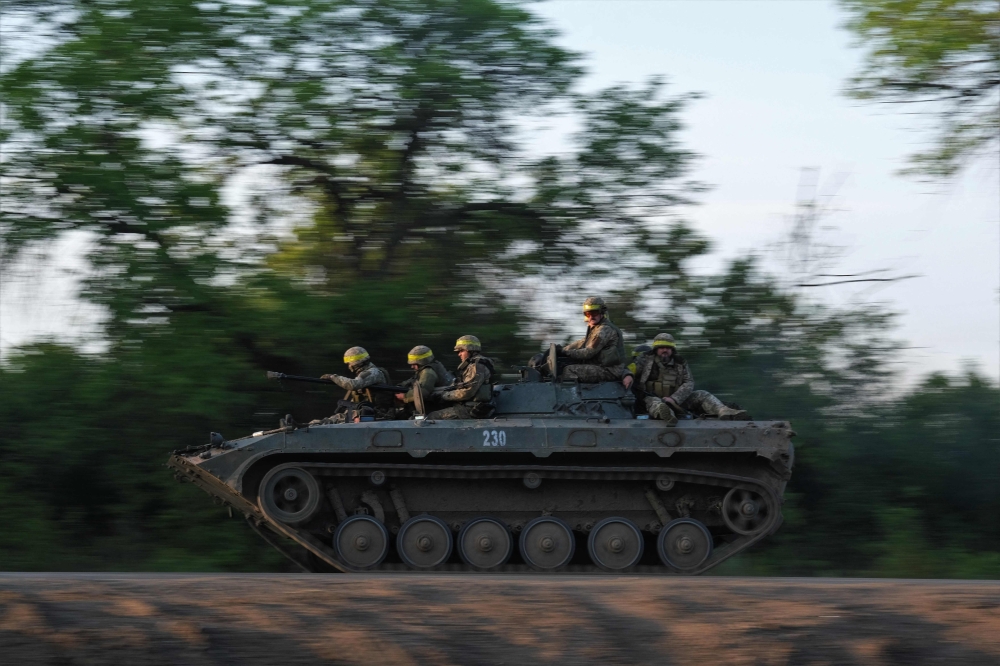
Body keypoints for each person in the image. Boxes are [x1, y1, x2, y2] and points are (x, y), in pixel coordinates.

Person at [634, 333, 748, 425]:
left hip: (678, 401)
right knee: (655, 402)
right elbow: (630, 371)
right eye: (661, 348)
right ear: (656, 349)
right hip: (650, 398)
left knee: (702, 394)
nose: (665, 350)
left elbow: (688, 382)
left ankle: (724, 411)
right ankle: (667, 414)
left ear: (672, 349)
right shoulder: (645, 360)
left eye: (668, 348)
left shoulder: (680, 363)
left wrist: (674, 399)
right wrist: (628, 376)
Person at [311, 346, 393, 423]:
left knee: (331, 421)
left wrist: (333, 377)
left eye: (349, 364)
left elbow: (353, 384)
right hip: (364, 412)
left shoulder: (373, 373)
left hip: (376, 414)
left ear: (355, 363)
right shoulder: (365, 376)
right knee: (326, 421)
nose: (348, 366)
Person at [556, 296, 628, 383]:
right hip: (602, 366)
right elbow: (581, 342)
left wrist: (565, 353)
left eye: (594, 313)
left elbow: (588, 353)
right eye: (587, 314)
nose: (590, 317)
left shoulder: (604, 330)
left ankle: (572, 392)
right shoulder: (596, 329)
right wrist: (562, 350)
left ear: (602, 312)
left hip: (610, 370)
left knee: (570, 370)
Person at [426, 335, 495, 420]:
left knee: (432, 416)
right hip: (468, 405)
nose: (459, 354)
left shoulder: (477, 366)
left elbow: (468, 392)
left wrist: (444, 396)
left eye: (461, 351)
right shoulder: (472, 364)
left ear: (471, 350)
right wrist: (440, 393)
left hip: (472, 409)